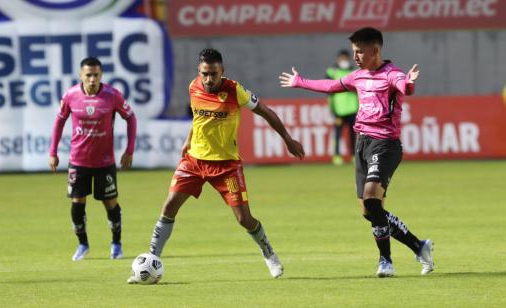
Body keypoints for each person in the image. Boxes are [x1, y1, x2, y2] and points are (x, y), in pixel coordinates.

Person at [128, 48, 305, 283]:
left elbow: (266, 112)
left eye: (213, 74)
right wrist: (189, 139)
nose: (209, 79)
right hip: (194, 161)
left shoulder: (235, 91)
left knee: (244, 219)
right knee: (169, 205)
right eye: (205, 74)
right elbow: (198, 117)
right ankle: (151, 261)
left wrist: (288, 139)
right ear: (199, 72)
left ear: (222, 71)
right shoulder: (193, 87)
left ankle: (269, 253)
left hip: (226, 166)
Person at [279, 27, 433, 277]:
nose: (355, 57)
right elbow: (331, 86)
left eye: (360, 51)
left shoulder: (392, 74)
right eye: (354, 52)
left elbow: (404, 86)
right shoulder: (358, 76)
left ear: (375, 50)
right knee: (369, 211)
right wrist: (300, 82)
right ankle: (419, 246)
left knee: (372, 199)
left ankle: (386, 261)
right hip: (362, 144)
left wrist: (409, 82)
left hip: (385, 145)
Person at [49, 57, 137, 261]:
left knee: (110, 203)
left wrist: (129, 149)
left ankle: (116, 243)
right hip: (78, 161)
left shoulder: (112, 95)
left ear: (101, 75)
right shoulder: (71, 95)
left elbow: (131, 117)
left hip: (104, 162)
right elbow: (59, 121)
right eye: (88, 75)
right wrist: (53, 152)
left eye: (96, 75)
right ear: (81, 75)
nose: (92, 79)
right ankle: (83, 245)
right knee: (77, 203)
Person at [326, 50, 359, 165]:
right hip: (338, 109)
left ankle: (354, 156)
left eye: (345, 58)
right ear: (338, 59)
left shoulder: (355, 72)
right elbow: (327, 89)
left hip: (352, 108)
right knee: (337, 134)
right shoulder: (332, 71)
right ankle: (337, 156)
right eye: (342, 58)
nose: (343, 61)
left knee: (353, 134)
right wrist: (331, 107)